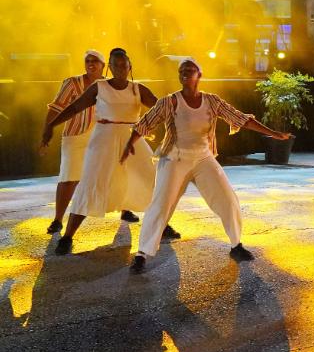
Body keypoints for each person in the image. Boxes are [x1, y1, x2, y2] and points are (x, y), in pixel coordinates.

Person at [124, 58, 291, 273]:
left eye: (190, 70)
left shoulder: (211, 101)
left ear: (199, 75)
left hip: (203, 158)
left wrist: (274, 134)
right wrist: (130, 144)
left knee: (227, 198)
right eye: (182, 71)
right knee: (160, 205)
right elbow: (145, 123)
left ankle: (236, 244)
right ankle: (142, 255)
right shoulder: (170, 102)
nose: (185, 74)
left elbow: (241, 119)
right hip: (174, 158)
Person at [40, 48, 161, 256]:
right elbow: (74, 107)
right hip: (104, 138)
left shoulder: (138, 89)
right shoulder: (100, 87)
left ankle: (162, 226)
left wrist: (171, 127)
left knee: (150, 179)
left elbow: (162, 108)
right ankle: (68, 236)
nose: (121, 68)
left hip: (132, 140)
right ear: (110, 67)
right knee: (92, 183)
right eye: (116, 65)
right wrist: (51, 125)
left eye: (124, 65)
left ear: (129, 66)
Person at [38, 49, 105, 233]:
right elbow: (56, 107)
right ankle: (58, 219)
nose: (91, 64)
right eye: (88, 61)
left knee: (114, 172)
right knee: (69, 179)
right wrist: (47, 130)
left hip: (100, 137)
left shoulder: (108, 85)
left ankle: (125, 210)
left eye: (95, 61)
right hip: (75, 136)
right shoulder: (72, 83)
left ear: (103, 65)